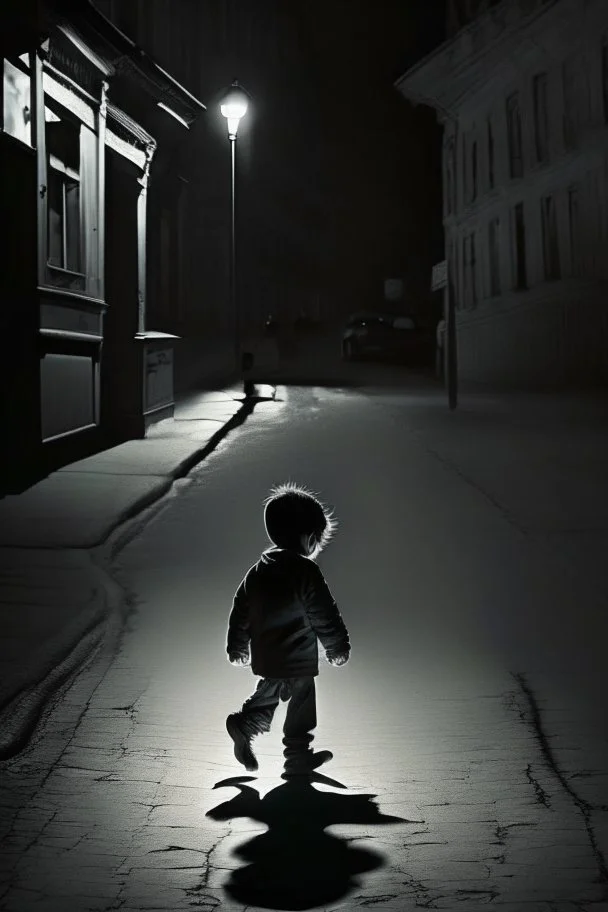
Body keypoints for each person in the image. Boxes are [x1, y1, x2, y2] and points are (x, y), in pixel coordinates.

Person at [225, 482, 351, 777]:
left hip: (268, 653)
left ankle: (246, 724)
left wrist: (237, 645)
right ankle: (297, 756)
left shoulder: (258, 570)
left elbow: (241, 608)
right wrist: (337, 646)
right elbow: (323, 613)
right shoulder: (305, 572)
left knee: (272, 688)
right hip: (298, 656)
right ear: (308, 538)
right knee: (302, 701)